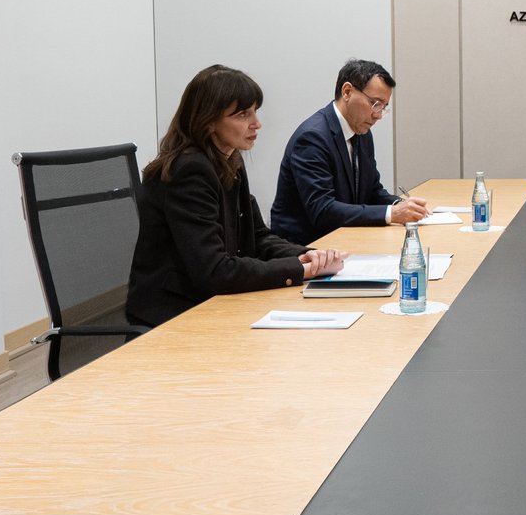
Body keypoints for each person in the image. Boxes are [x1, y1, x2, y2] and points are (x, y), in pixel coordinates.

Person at [126, 65, 345, 328]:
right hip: (174, 316)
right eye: (243, 114)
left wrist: (309, 256)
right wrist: (298, 269)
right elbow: (214, 271)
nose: (256, 124)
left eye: (255, 111)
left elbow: (257, 236)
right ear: (208, 121)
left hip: (210, 301)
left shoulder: (228, 160)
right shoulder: (189, 171)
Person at [269, 59, 429, 244]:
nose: (378, 115)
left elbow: (372, 191)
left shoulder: (361, 132)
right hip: (307, 247)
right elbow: (322, 210)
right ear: (347, 92)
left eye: (383, 107)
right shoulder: (312, 138)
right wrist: (392, 213)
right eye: (375, 103)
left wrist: (401, 205)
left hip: (344, 239)